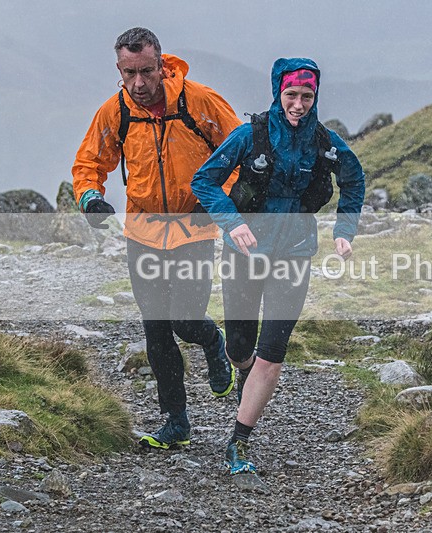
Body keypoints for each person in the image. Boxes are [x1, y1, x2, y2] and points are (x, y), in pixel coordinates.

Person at [191, 57, 365, 474]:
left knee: (272, 353)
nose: (299, 103)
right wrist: (232, 224)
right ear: (278, 93)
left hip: (296, 254)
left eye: (307, 95)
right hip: (244, 254)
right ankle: (243, 371)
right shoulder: (248, 136)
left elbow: (354, 181)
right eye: (292, 95)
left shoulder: (326, 142)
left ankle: (239, 442)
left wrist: (345, 230)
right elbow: (204, 180)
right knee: (239, 347)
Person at [72, 27, 242, 450]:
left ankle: (212, 340)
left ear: (161, 65)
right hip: (142, 233)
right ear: (119, 69)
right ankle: (176, 423)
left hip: (194, 231)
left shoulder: (199, 103)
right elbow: (89, 162)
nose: (139, 83)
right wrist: (91, 198)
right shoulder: (117, 111)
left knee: (185, 320)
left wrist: (217, 197)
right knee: (156, 331)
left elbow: (242, 152)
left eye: (146, 71)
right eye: (129, 73)